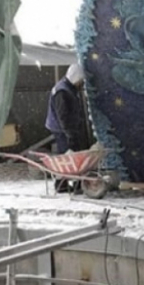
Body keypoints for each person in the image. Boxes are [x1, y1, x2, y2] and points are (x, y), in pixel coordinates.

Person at [45, 63, 94, 193]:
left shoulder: (68, 87)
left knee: (67, 156)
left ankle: (65, 184)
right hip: (61, 129)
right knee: (67, 156)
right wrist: (70, 134)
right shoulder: (63, 92)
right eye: (81, 81)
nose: (82, 84)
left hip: (65, 127)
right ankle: (65, 184)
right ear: (76, 79)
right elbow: (63, 117)